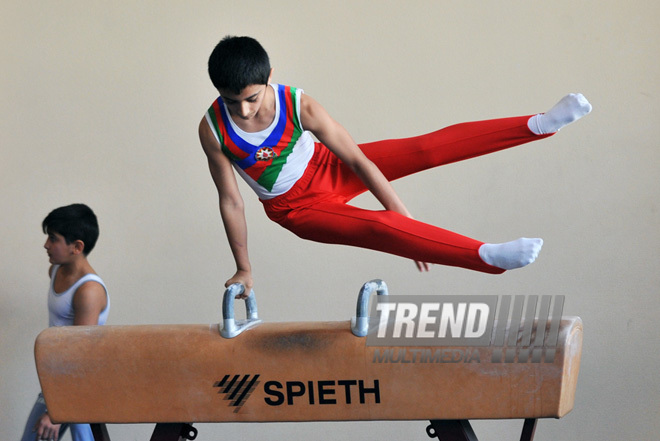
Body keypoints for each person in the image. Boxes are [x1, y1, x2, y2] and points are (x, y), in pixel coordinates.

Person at [198, 35, 592, 298]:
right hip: (296, 209)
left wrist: (406, 219)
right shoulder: (214, 129)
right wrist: (244, 269)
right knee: (380, 226)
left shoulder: (299, 104)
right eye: (233, 102)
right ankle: (486, 255)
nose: (244, 110)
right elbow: (231, 202)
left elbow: (356, 159)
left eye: (251, 98)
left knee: (424, 149)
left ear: (268, 78)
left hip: (328, 167)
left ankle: (538, 125)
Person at [20, 204, 109, 441]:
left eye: (53, 238)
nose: (46, 245)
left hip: (80, 387)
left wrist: (55, 413)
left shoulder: (89, 291)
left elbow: (81, 356)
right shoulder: (56, 271)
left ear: (77, 247)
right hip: (57, 382)